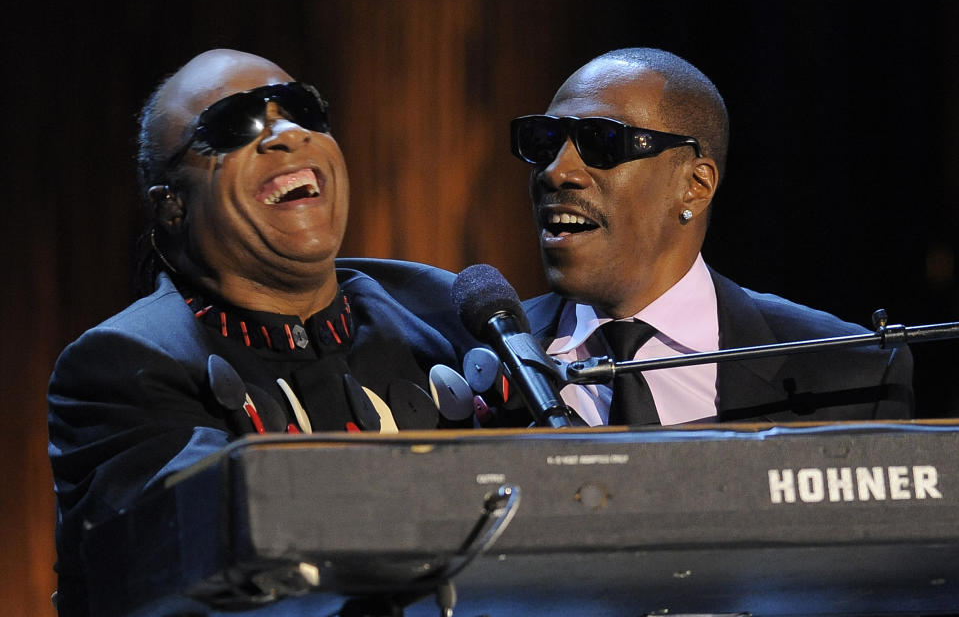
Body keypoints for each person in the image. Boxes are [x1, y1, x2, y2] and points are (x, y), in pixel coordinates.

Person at [47, 49, 476, 617]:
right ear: (172, 206)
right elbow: (223, 567)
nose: (287, 135)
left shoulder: (443, 311)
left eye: (301, 109)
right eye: (232, 125)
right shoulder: (125, 365)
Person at [510, 47, 914, 426]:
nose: (556, 172)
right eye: (543, 142)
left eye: (601, 143)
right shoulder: (481, 354)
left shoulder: (850, 370)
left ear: (696, 185)